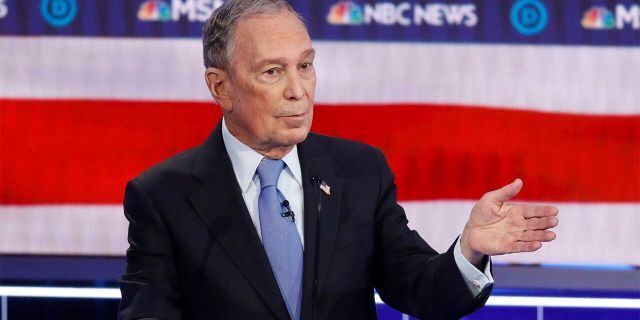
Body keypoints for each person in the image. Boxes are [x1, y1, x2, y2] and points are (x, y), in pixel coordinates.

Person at [118, 0, 559, 319]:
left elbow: (420, 288)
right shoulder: (163, 196)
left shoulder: (359, 172)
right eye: (273, 72)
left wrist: (469, 250)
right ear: (220, 87)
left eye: (305, 66)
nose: (298, 90)